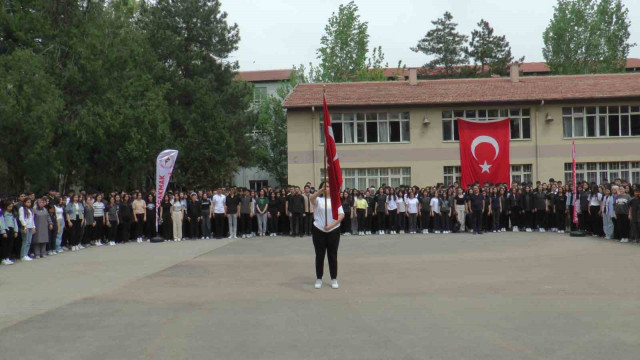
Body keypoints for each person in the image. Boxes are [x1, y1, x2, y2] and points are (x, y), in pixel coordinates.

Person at [310, 181, 345, 289]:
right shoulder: (318, 200)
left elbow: (341, 215)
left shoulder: (336, 201)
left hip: (333, 230)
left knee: (332, 255)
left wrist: (331, 226)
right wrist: (320, 191)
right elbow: (311, 198)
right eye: (325, 186)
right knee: (319, 255)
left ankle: (333, 278)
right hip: (318, 229)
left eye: (329, 186)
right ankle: (319, 278)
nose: (327, 188)